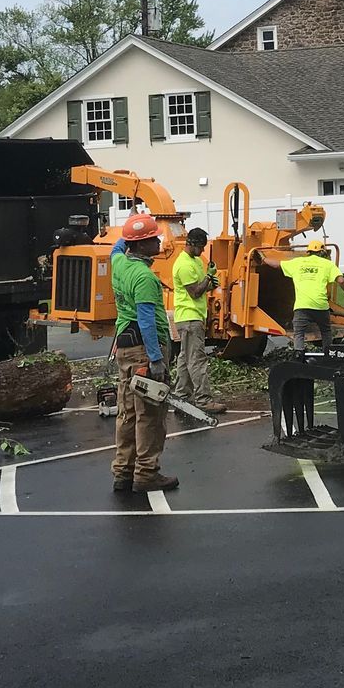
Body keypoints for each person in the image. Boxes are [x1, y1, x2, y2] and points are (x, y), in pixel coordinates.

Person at [110, 211, 176, 494]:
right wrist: (157, 359)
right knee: (149, 413)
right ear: (141, 245)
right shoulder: (144, 277)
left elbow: (116, 246)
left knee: (127, 413)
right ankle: (147, 472)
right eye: (152, 238)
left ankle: (123, 472)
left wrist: (131, 224)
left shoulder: (119, 263)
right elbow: (147, 320)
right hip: (143, 350)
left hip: (124, 347)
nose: (158, 241)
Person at [169, 227, 225, 413]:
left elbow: (201, 289)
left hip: (191, 317)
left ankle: (181, 398)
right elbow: (194, 292)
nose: (202, 251)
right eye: (200, 247)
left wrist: (210, 283)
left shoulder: (194, 261)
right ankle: (204, 400)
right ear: (191, 244)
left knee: (185, 359)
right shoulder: (184, 265)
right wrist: (208, 278)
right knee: (197, 360)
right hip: (190, 317)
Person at [280, 237, 344, 351]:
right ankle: (328, 355)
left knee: (299, 334)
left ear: (308, 252)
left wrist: (263, 258)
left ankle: (298, 356)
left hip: (302, 306)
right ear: (322, 252)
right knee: (325, 331)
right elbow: (341, 281)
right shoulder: (327, 264)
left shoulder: (298, 262)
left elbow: (277, 264)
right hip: (320, 306)